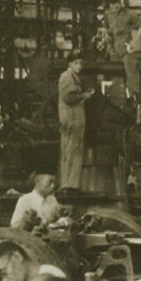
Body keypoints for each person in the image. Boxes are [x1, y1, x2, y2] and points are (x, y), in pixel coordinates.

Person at [57, 51, 94, 192]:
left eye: (80, 63)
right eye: (75, 63)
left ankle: (72, 185)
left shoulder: (75, 77)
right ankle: (68, 185)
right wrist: (84, 95)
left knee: (74, 152)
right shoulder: (67, 77)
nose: (79, 66)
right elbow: (68, 98)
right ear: (69, 64)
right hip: (70, 121)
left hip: (76, 121)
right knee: (70, 152)